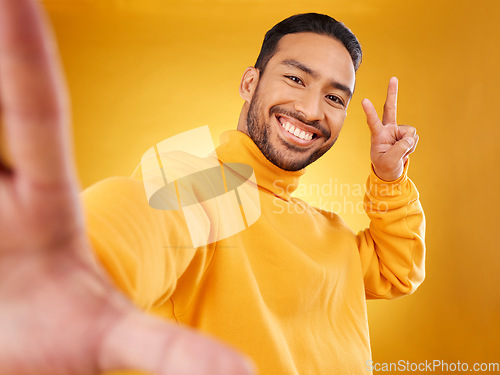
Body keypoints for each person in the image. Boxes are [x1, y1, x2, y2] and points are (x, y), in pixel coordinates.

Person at [0, 1, 425, 375]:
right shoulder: (200, 186)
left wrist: (390, 178)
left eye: (335, 98)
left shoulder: (329, 232)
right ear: (249, 83)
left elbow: (397, 270)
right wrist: (79, 268)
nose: (312, 110)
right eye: (296, 79)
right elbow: (146, 218)